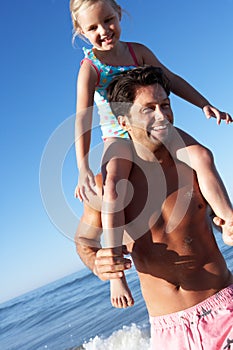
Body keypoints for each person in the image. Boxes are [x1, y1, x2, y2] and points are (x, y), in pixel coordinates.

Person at [70, 0, 232, 308]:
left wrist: (204, 104)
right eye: (93, 27)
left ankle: (228, 220)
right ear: (81, 32)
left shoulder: (137, 52)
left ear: (119, 14)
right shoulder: (90, 68)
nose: (104, 31)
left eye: (108, 20)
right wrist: (82, 166)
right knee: (114, 187)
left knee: (202, 155)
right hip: (117, 135)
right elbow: (82, 116)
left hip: (155, 126)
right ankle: (117, 273)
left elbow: (170, 79)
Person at [75, 66, 233, 349]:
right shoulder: (107, 185)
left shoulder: (192, 166)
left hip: (224, 311)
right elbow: (85, 241)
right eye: (149, 109)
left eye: (166, 106)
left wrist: (228, 223)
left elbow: (224, 219)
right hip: (168, 333)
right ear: (123, 120)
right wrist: (99, 265)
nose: (162, 117)